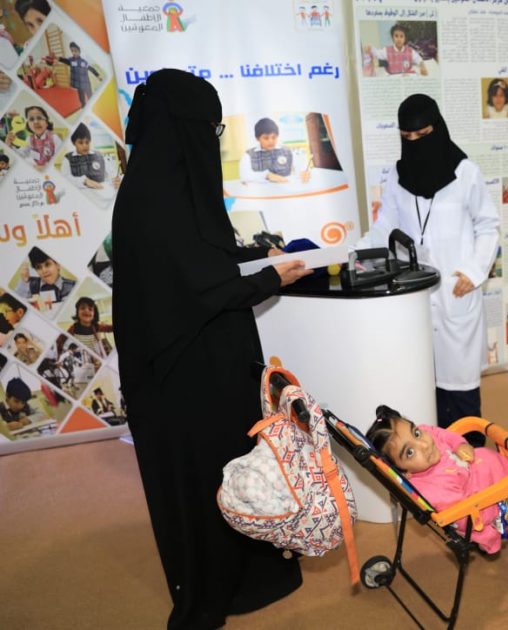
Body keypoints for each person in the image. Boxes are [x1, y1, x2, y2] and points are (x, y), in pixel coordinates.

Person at [111, 69, 312, 629]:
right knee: (208, 478)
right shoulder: (156, 201)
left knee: (232, 468)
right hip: (183, 377)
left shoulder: (163, 187)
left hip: (204, 365)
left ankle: (251, 573)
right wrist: (269, 279)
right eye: (211, 129)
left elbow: (204, 261)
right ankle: (219, 586)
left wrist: (254, 258)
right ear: (187, 130)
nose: (214, 141)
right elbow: (200, 288)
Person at [358, 94, 499, 446]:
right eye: (407, 137)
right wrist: (356, 254)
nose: (415, 143)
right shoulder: (398, 175)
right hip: (414, 296)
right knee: (422, 388)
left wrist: (473, 271)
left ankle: (471, 460)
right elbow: (385, 225)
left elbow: (488, 225)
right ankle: (434, 461)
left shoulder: (465, 173)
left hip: (455, 293)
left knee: (461, 393)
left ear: (437, 128)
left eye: (422, 135)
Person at [366, 405, 508, 553]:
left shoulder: (425, 438)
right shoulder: (436, 491)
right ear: (404, 472)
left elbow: (437, 433)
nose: (424, 443)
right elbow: (467, 518)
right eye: (409, 452)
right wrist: (491, 535)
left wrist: (459, 444)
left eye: (416, 433)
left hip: (491, 468)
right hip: (500, 495)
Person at [238, 117, 309, 184]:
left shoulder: (287, 151)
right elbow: (244, 176)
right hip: (261, 191)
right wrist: (267, 176)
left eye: (274, 137)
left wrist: (304, 172)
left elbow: (301, 168)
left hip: (285, 189)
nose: (271, 141)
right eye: (266, 138)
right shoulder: (248, 155)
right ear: (257, 138)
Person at [60, 122, 121, 194]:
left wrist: (116, 180)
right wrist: (84, 181)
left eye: (87, 142)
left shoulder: (99, 155)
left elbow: (112, 173)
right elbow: (64, 178)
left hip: (102, 195)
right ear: (74, 143)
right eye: (80, 142)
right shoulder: (68, 158)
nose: (85, 145)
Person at [44, 42, 101, 108]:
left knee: (90, 95)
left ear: (79, 51)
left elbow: (91, 68)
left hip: (86, 82)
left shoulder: (84, 61)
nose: (73, 53)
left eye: (75, 51)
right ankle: (83, 104)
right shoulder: (71, 60)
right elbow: (65, 60)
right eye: (72, 51)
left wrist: (97, 75)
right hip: (79, 84)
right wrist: (58, 58)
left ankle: (93, 105)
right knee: (81, 95)